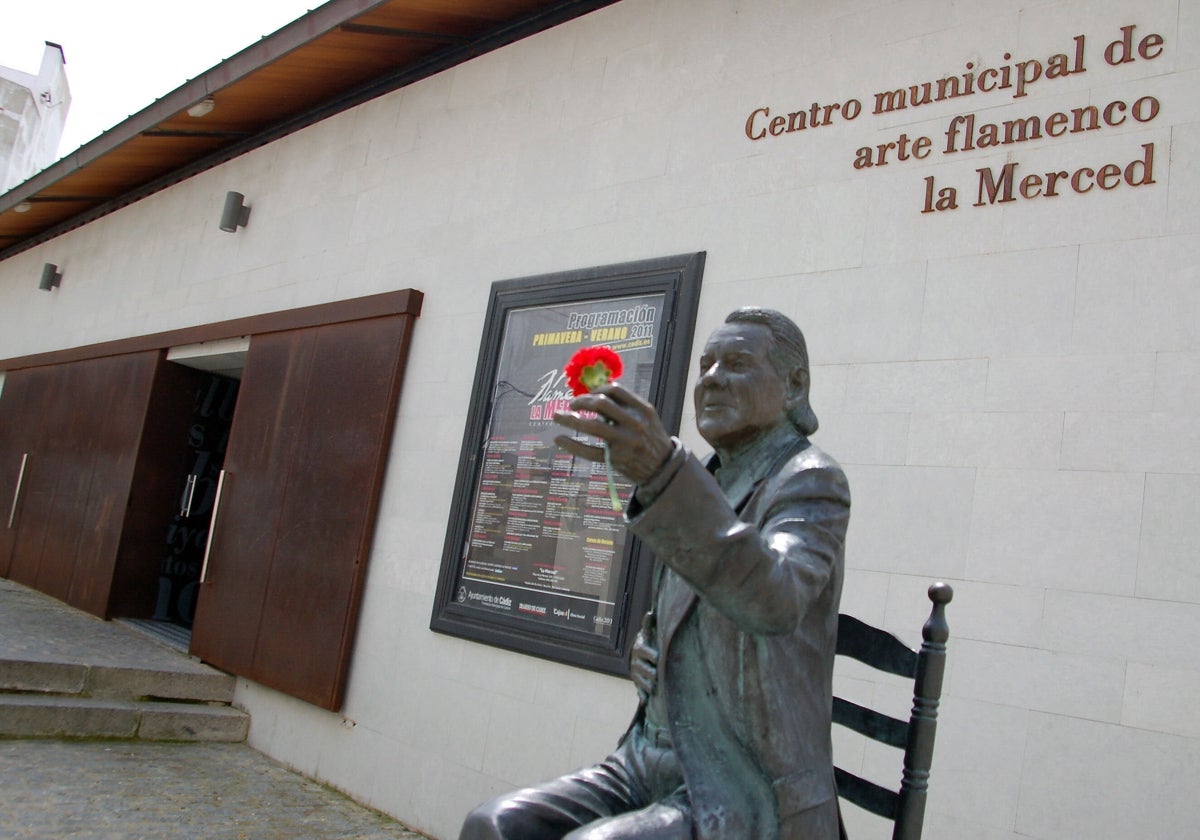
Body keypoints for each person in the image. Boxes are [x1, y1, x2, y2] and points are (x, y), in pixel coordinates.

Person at [459, 307, 850, 840]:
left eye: (736, 363)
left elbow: (775, 601)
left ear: (794, 384)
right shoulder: (710, 478)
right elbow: (688, 602)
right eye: (705, 365)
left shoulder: (810, 481)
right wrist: (651, 648)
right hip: (647, 757)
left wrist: (665, 472)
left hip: (741, 781)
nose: (711, 378)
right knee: (494, 825)